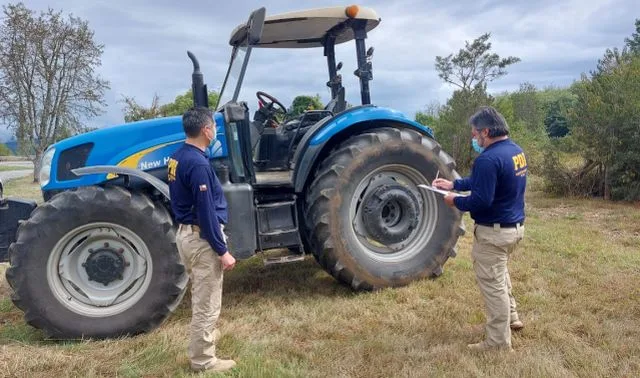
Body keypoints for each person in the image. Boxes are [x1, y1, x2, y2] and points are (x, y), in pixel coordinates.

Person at [433, 106, 526, 352]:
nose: (474, 139)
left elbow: (481, 199)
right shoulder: (515, 152)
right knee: (500, 273)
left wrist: (455, 200)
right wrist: (454, 183)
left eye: (475, 134)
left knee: (493, 286)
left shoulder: (487, 158)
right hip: (514, 229)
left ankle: (497, 343)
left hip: (493, 233)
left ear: (486, 131)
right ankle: (513, 317)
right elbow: (484, 181)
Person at [167, 107, 237, 372]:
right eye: (214, 127)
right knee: (206, 303)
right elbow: (206, 211)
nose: (215, 131)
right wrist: (222, 251)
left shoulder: (177, 157)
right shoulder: (198, 163)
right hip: (202, 239)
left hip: (186, 234)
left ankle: (205, 338)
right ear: (206, 130)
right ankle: (203, 361)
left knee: (201, 293)